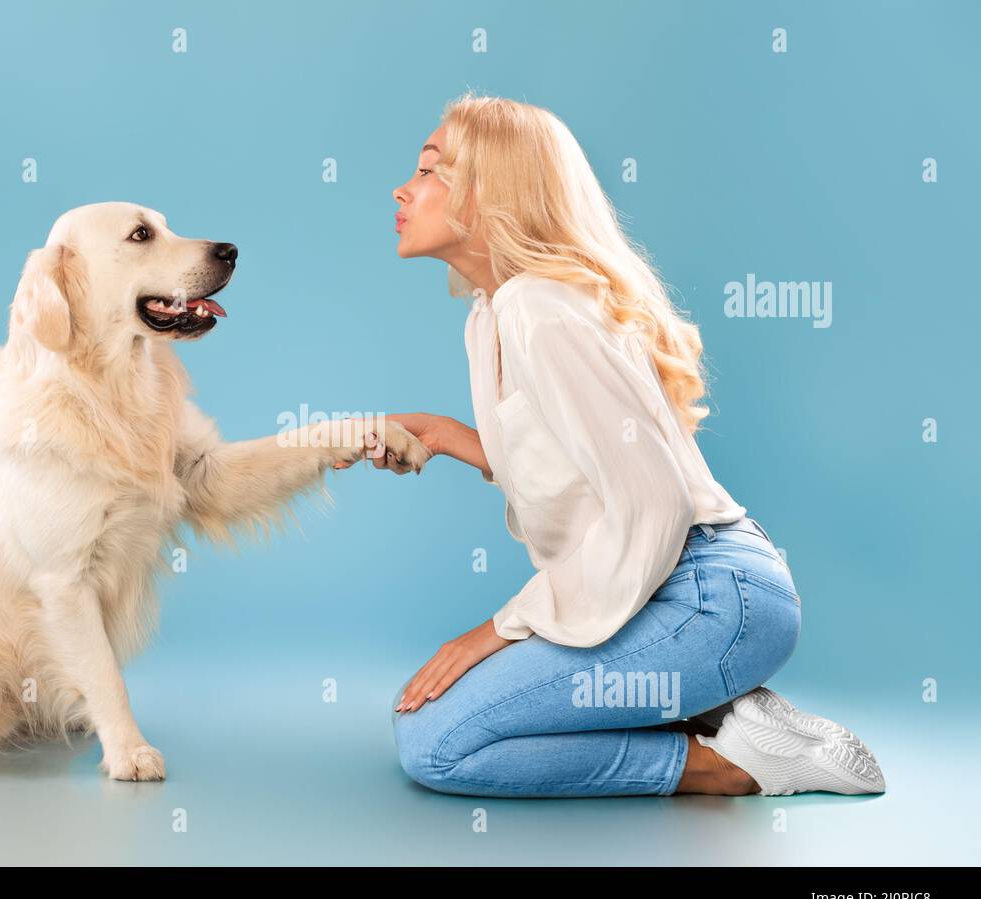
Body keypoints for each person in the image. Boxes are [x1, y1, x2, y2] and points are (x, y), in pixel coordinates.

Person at [378, 94, 886, 798]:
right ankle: (725, 713)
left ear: (489, 192)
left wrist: (500, 628)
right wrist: (442, 436)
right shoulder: (493, 312)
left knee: (437, 745)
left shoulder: (540, 309)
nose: (405, 187)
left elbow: (653, 500)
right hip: (674, 590)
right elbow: (570, 466)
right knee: (437, 725)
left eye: (430, 170)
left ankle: (730, 764)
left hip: (709, 596)